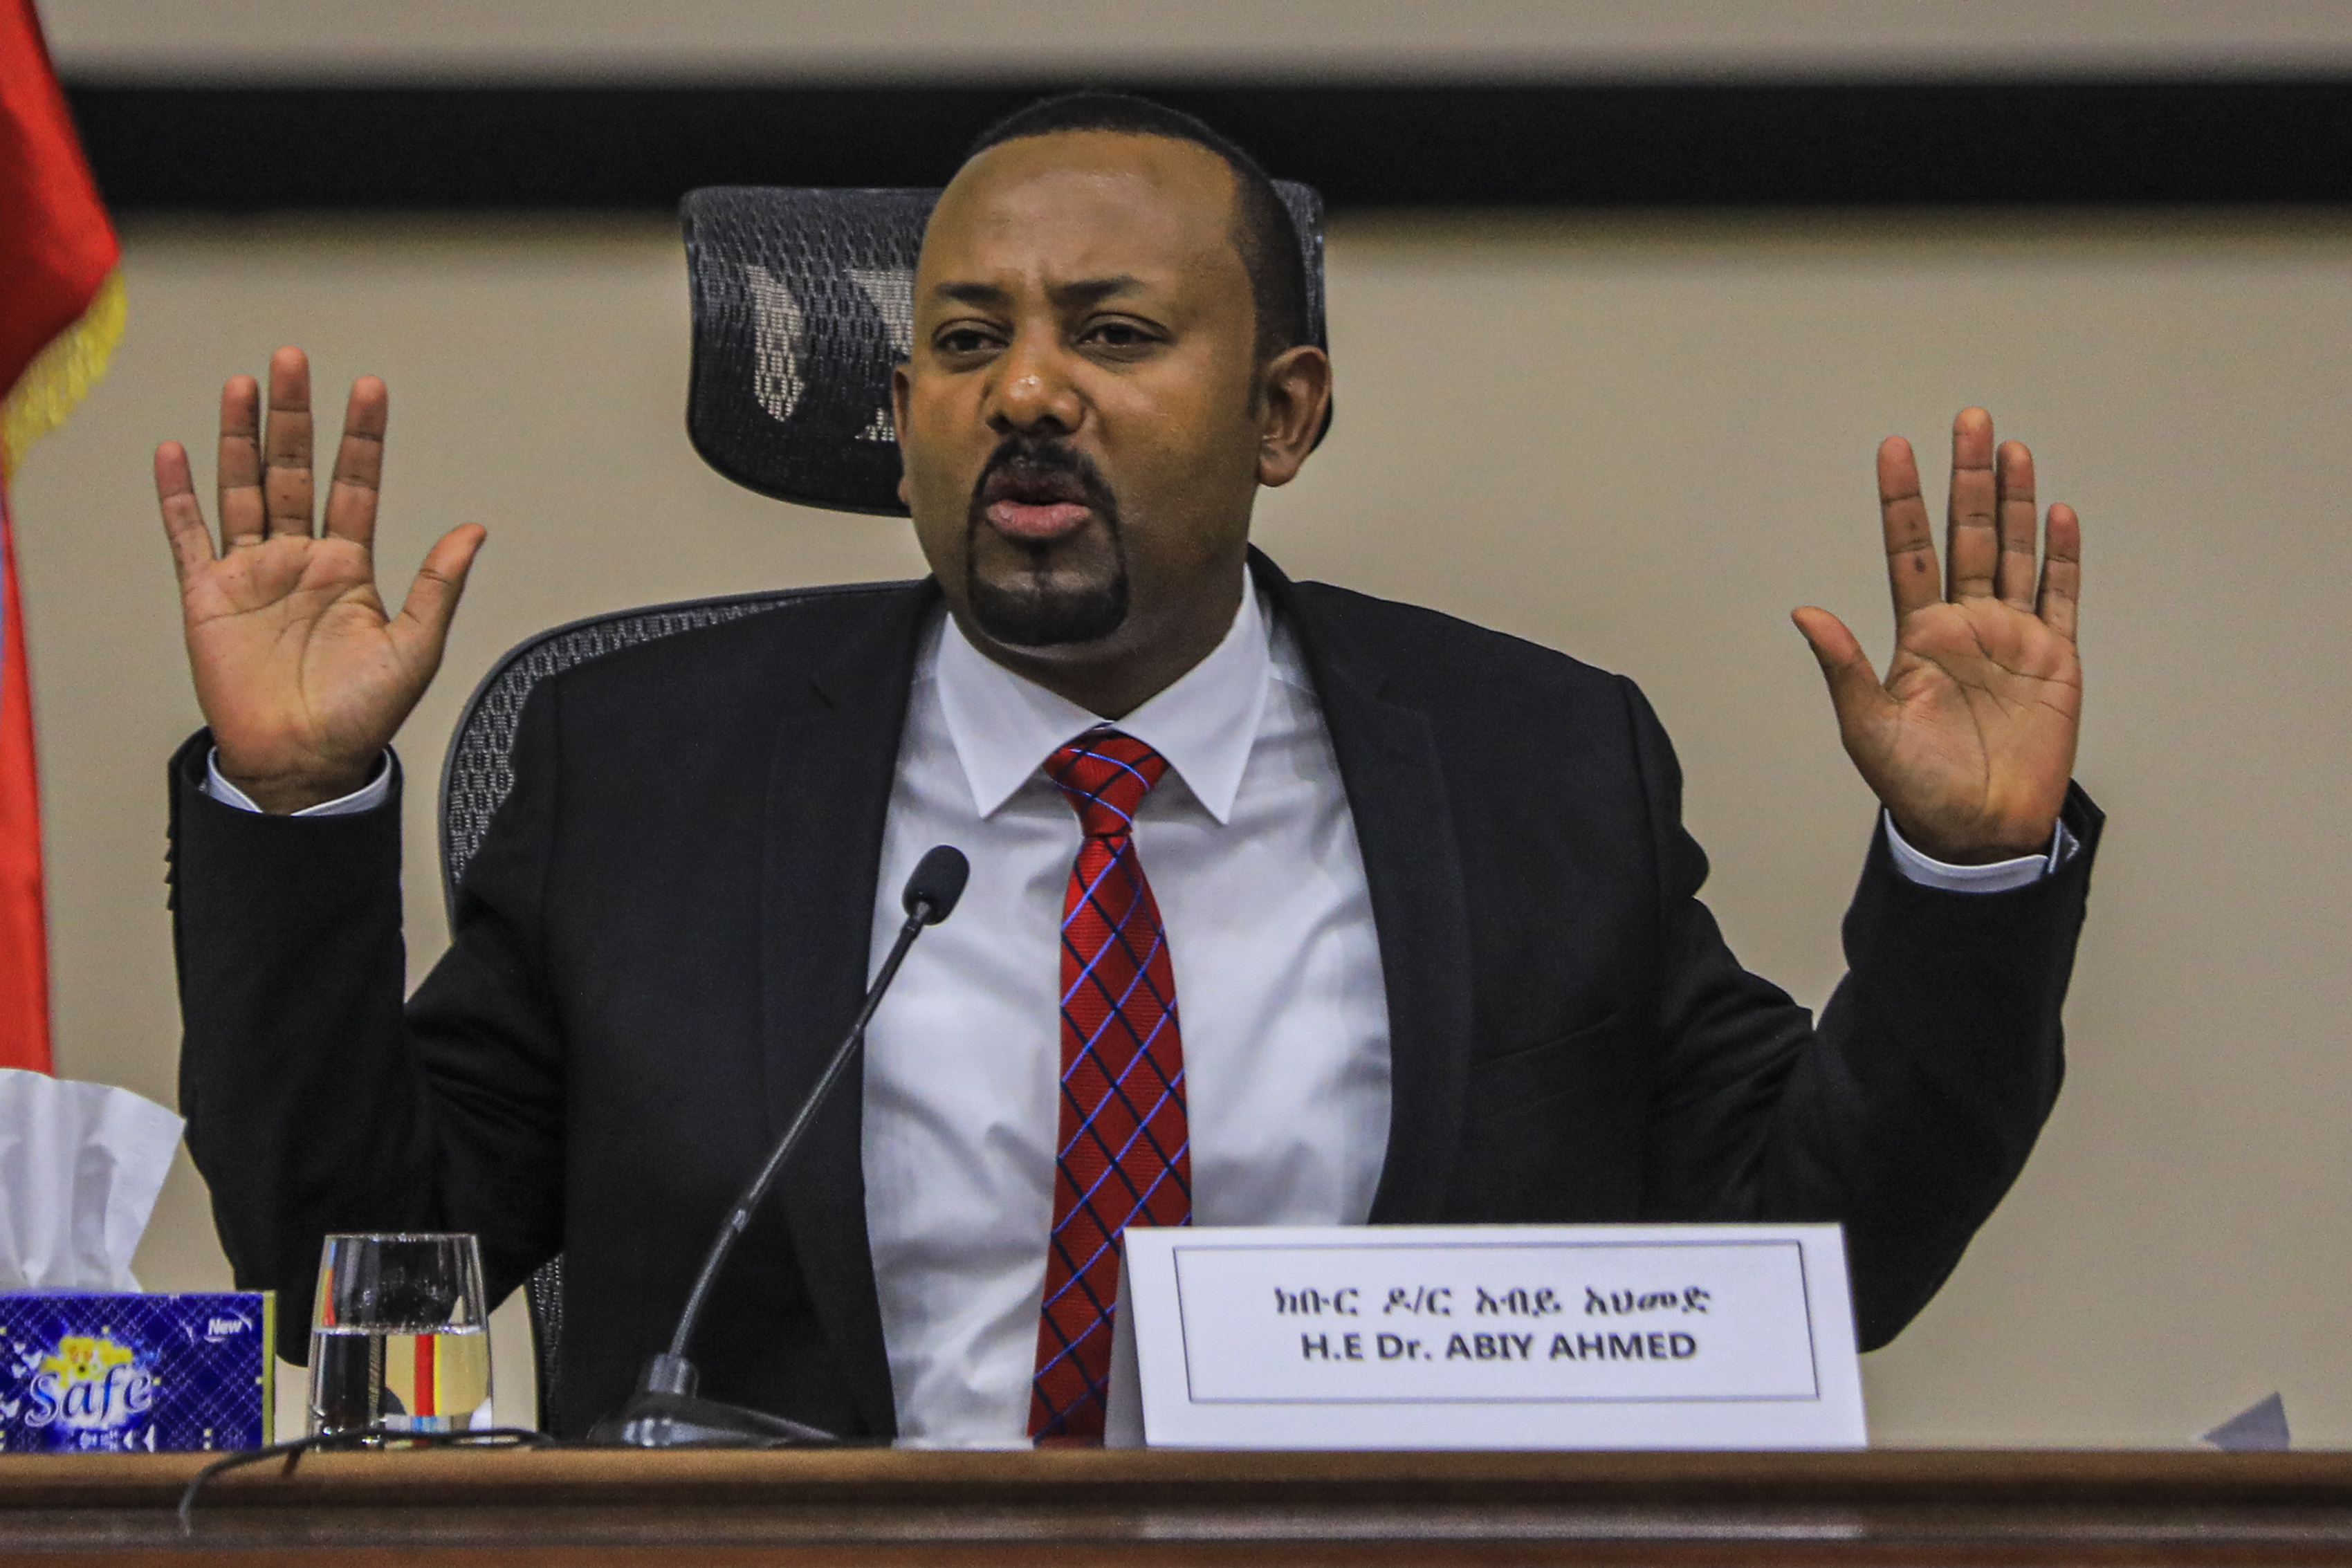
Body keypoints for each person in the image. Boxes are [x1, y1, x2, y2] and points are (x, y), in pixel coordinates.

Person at [158, 95, 2096, 1444]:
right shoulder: (648, 767)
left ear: (1285, 413)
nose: (1024, 391)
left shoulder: (1530, 763)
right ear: (904, 408)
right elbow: (365, 1253)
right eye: (964, 338)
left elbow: (1808, 1260)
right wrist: (297, 812)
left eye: (1113, 333)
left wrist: (1966, 887)